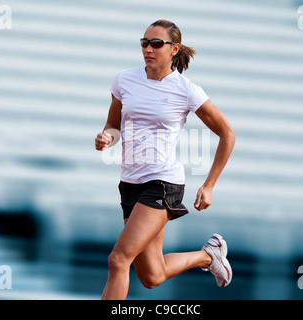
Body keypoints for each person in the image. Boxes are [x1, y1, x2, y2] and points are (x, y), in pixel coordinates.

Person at [95, 19, 236, 300]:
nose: (148, 48)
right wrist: (107, 137)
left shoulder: (186, 90)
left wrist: (209, 185)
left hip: (162, 183)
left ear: (174, 49)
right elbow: (113, 125)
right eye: (144, 43)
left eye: (156, 43)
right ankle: (208, 257)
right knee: (151, 275)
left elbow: (227, 134)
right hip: (130, 183)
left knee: (118, 260)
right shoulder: (124, 79)